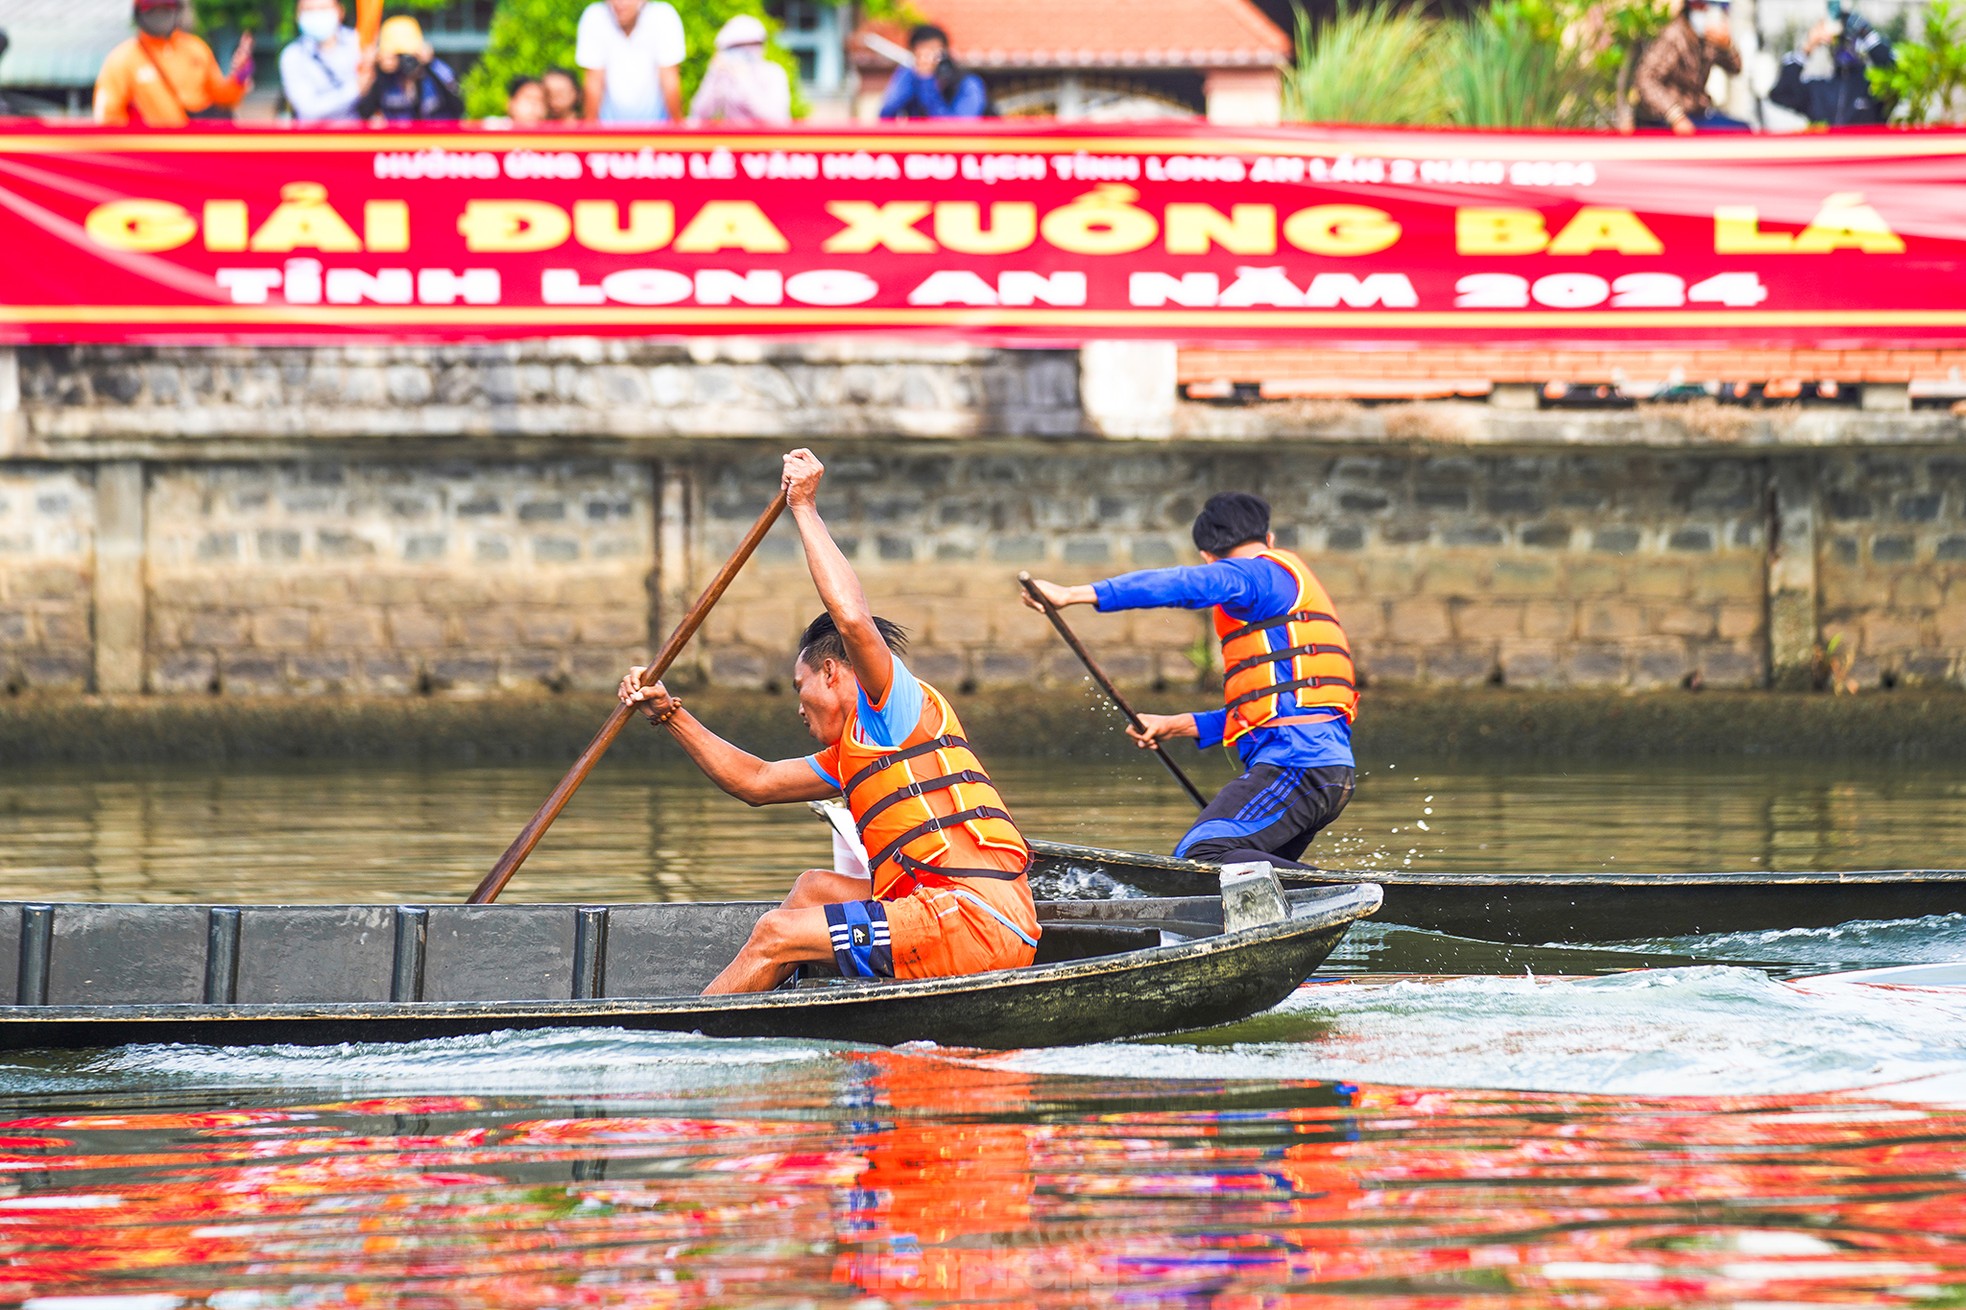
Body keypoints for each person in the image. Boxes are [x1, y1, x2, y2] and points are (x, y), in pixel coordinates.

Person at [618, 450, 1040, 995]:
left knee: (776, 931)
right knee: (814, 888)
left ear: (834, 673)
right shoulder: (852, 755)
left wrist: (805, 507)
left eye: (802, 688)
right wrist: (669, 713)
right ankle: (771, 1005)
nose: (798, 707)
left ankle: (686, 1044)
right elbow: (756, 782)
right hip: (934, 917)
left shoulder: (896, 711)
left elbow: (851, 618)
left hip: (971, 921)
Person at [1022, 492, 1357, 869]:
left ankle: (1358, 895)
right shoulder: (1283, 593)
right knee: (1244, 879)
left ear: (1208, 557)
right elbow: (1268, 713)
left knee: (1201, 856)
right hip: (1325, 769)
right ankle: (1331, 905)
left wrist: (1074, 594)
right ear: (1270, 538)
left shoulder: (1255, 573)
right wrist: (1174, 725)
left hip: (1296, 767)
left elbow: (1182, 584)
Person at [94, 0, 253, 126]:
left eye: (166, 5)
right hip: (152, 156)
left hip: (197, 152)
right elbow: (108, 118)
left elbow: (223, 98)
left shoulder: (196, 48)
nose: (160, 11)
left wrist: (239, 76)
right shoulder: (122, 59)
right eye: (151, 6)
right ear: (138, 11)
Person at [1770, 0, 1893, 124]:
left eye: (1850, 42)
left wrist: (1867, 33)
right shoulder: (1818, 90)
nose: (1845, 48)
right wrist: (1807, 47)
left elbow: (1894, 73)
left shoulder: (1873, 88)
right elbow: (1781, 93)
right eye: (1839, 43)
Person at [1634, 0, 1747, 133]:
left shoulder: (1709, 40)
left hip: (1697, 113)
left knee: (1743, 131)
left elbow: (1735, 68)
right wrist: (1675, 116)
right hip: (1666, 119)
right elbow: (1645, 79)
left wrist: (1728, 46)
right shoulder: (1674, 35)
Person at [575, 0, 684, 124]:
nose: (619, 3)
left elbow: (670, 80)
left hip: (657, 127)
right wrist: (592, 130)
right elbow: (593, 81)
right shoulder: (594, 17)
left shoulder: (664, 16)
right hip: (608, 129)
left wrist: (676, 128)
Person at [353, 15, 463, 122]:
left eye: (408, 55)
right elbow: (364, 112)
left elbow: (458, 105)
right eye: (398, 55)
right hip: (399, 138)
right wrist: (372, 69)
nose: (405, 61)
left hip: (437, 137)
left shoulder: (434, 71)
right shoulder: (385, 79)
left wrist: (429, 65)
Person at [688, 13, 791, 123]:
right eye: (736, 46)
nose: (746, 50)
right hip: (733, 139)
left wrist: (744, 80)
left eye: (753, 44)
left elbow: (777, 119)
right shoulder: (724, 75)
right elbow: (698, 114)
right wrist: (713, 74)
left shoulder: (774, 73)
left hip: (767, 139)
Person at [878, 23, 990, 119]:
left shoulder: (967, 82)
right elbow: (887, 112)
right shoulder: (910, 75)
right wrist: (909, 75)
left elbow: (959, 127)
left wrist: (927, 82)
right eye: (921, 54)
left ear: (946, 52)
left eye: (934, 51)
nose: (928, 59)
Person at [280, 0, 361, 122]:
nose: (317, 14)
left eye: (323, 8)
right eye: (309, 10)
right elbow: (308, 110)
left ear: (340, 11)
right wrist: (355, 89)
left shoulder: (359, 45)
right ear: (298, 15)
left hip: (359, 136)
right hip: (312, 137)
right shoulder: (292, 55)